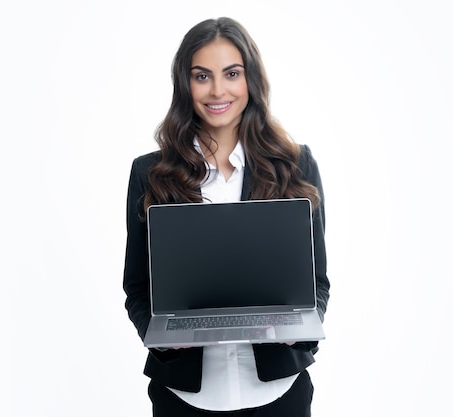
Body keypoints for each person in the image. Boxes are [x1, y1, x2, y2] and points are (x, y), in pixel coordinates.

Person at [123, 17, 330, 416]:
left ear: (250, 79)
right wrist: (161, 334)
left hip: (278, 393)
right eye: (202, 76)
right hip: (184, 395)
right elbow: (137, 286)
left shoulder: (295, 165)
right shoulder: (150, 173)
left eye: (231, 73)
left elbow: (316, 282)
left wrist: (301, 329)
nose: (218, 90)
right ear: (185, 85)